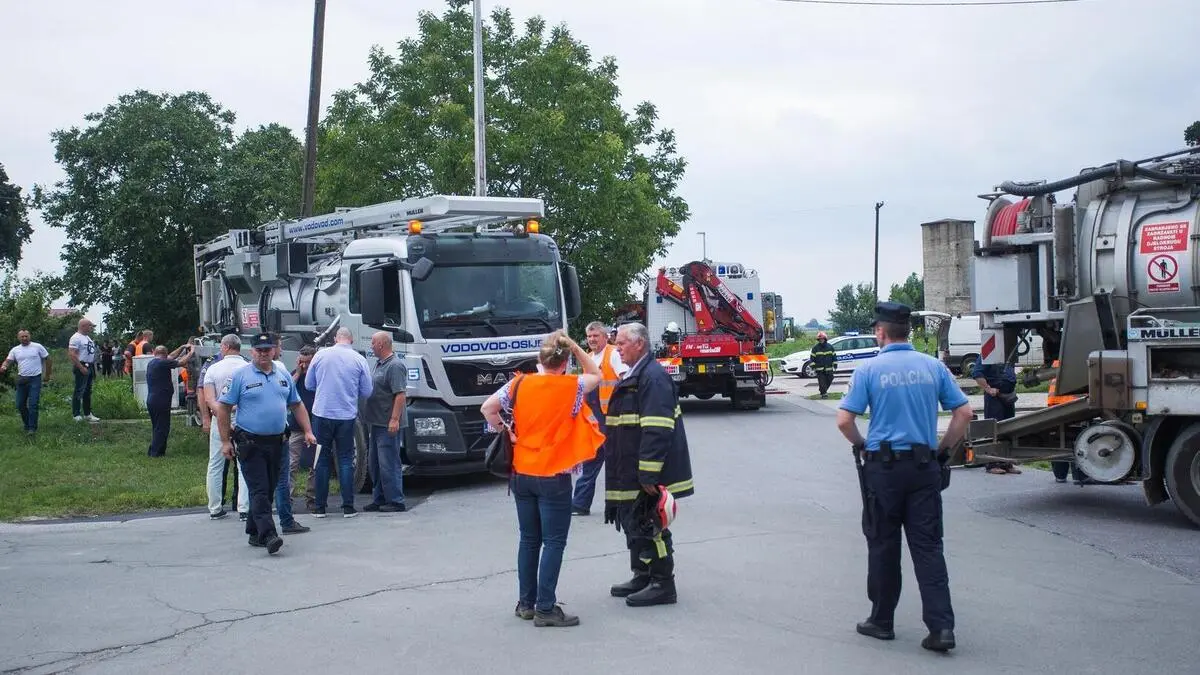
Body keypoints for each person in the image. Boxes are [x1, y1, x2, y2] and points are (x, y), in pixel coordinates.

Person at [836, 301, 974, 653]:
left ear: (880, 332)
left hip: (883, 471)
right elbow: (964, 413)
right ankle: (941, 628)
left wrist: (863, 445)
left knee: (883, 545)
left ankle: (882, 621)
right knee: (928, 547)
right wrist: (942, 451)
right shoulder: (933, 367)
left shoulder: (868, 370)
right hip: (924, 468)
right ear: (907, 331)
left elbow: (844, 421)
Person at [481, 330, 604, 627]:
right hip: (554, 473)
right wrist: (574, 345)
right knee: (553, 541)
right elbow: (596, 374)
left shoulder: (519, 383)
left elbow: (487, 408)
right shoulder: (572, 386)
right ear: (564, 363)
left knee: (529, 539)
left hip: (522, 472)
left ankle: (526, 603)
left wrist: (506, 431)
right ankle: (545, 608)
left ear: (540, 358)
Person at [604, 322, 695, 608]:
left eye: (621, 343)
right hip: (631, 467)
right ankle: (643, 575)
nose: (617, 348)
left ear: (639, 344)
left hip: (645, 471)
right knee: (633, 521)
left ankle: (662, 583)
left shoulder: (652, 378)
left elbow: (657, 428)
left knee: (650, 524)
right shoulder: (638, 373)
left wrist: (649, 472)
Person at [216, 333, 317, 555]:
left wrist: (308, 431)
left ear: (274, 350)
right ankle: (268, 534)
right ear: (251, 351)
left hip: (278, 443)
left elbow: (296, 404)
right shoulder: (240, 376)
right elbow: (223, 408)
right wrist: (224, 441)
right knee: (259, 489)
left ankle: (253, 531)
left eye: (267, 349)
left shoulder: (283, 374)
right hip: (251, 443)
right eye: (259, 350)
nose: (263, 353)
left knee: (269, 488)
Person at [305, 327, 373, 518]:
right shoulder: (359, 359)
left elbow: (309, 384)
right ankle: (348, 507)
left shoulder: (320, 355)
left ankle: (320, 507)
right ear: (351, 340)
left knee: (321, 460)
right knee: (345, 459)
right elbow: (367, 391)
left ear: (335, 339)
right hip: (346, 415)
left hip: (322, 414)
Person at [571, 321, 629, 516]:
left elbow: (625, 379)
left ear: (606, 337)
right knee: (590, 460)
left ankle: (622, 503)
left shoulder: (613, 354)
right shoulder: (589, 357)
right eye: (589, 336)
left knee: (616, 462)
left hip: (610, 417)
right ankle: (580, 504)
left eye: (596, 336)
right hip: (594, 419)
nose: (592, 339)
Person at [361, 332, 412, 513]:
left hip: (387, 424)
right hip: (376, 422)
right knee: (375, 464)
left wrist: (394, 419)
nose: (371, 346)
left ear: (381, 345)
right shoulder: (379, 363)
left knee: (388, 463)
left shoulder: (395, 366)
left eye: (373, 343)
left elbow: (400, 394)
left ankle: (396, 501)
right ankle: (379, 498)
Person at [203, 334, 249, 520]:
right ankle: (244, 508)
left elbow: (209, 399)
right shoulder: (248, 368)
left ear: (225, 347)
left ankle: (215, 507)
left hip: (219, 418)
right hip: (243, 418)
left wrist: (222, 414)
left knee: (215, 463)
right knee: (244, 463)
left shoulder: (213, 369)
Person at [971, 359, 1022, 475]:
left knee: (1008, 429)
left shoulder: (1008, 355)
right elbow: (977, 374)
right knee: (993, 430)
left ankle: (1006, 463)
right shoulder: (988, 354)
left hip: (1007, 396)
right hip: (994, 397)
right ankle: (992, 464)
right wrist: (988, 389)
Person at [145, 343, 193, 457]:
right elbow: (181, 362)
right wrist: (191, 352)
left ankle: (154, 450)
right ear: (165, 354)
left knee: (157, 426)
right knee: (162, 427)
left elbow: (171, 356)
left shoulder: (153, 362)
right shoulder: (162, 363)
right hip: (161, 400)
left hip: (152, 399)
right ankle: (156, 453)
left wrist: (182, 347)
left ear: (155, 353)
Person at [2, 330, 51, 434]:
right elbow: (8, 360)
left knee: (33, 404)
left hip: (35, 379)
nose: (24, 338)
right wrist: (4, 366)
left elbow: (48, 359)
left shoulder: (37, 347)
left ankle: (32, 428)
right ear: (18, 338)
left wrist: (47, 375)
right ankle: (27, 424)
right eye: (22, 336)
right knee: (20, 404)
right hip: (22, 379)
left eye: (26, 336)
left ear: (29, 336)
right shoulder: (15, 350)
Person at [68, 318, 100, 422]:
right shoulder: (76, 338)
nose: (91, 328)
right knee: (79, 390)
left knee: (87, 391)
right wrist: (81, 367)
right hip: (81, 365)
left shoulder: (87, 337)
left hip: (89, 365)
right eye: (90, 326)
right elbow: (72, 354)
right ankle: (76, 414)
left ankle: (87, 413)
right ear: (83, 326)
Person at [810, 331, 837, 398]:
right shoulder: (815, 348)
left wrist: (835, 364)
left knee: (830, 379)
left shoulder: (830, 347)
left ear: (825, 339)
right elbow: (812, 358)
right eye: (819, 339)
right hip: (819, 369)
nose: (821, 340)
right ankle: (824, 393)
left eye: (822, 339)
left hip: (829, 368)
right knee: (822, 382)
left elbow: (834, 356)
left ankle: (822, 390)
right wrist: (813, 365)